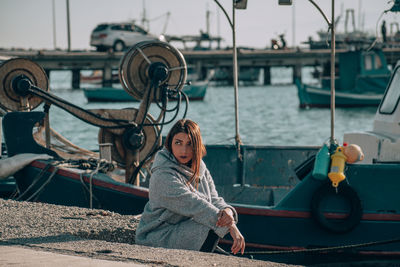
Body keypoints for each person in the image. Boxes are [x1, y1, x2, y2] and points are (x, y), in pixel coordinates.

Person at [136, 119, 245, 255]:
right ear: (170, 143)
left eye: (190, 144)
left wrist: (227, 211)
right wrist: (231, 226)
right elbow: (195, 205)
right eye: (178, 143)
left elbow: (214, 199)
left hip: (183, 228)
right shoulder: (162, 176)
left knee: (213, 219)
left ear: (197, 145)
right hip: (158, 235)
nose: (184, 150)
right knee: (212, 223)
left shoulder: (200, 167)